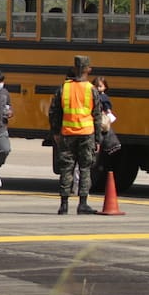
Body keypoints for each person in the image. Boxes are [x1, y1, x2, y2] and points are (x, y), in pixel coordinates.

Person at [48, 55, 104, 215]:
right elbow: (97, 116)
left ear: (74, 69)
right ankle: (83, 204)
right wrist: (98, 138)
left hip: (67, 134)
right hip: (86, 134)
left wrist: (56, 132)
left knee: (67, 168)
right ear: (89, 70)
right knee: (85, 168)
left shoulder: (64, 88)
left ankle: (64, 204)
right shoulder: (91, 90)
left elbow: (54, 112)